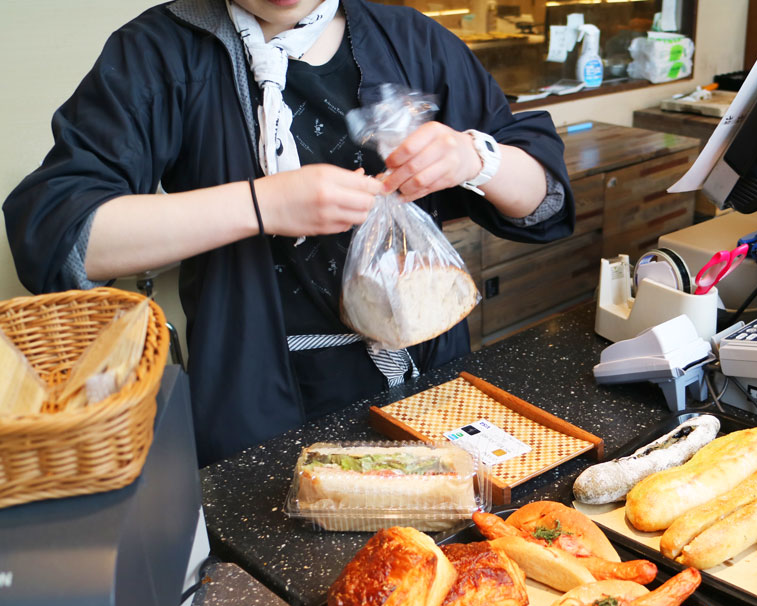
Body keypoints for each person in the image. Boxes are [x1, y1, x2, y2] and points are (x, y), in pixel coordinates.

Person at [3, 0, 574, 466]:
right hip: (255, 399)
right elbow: (59, 234)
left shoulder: (410, 39)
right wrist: (260, 204)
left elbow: (541, 202)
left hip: (431, 381)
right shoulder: (160, 51)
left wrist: (476, 157)